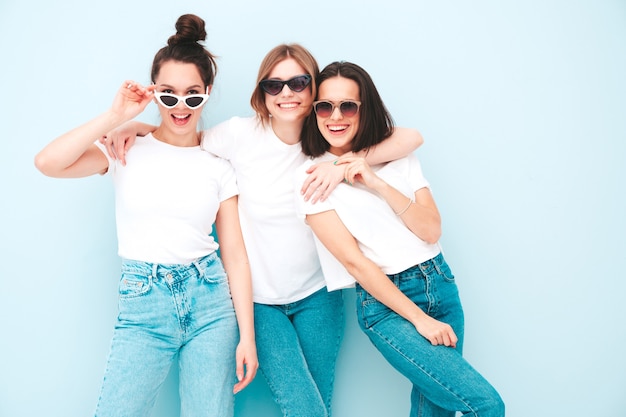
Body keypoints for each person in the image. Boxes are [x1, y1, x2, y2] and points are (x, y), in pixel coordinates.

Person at [102, 44, 423, 417]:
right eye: (275, 85)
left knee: (318, 406)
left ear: (314, 91)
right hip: (261, 303)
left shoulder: (329, 141)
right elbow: (182, 135)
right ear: (263, 94)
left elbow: (410, 138)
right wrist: (135, 126)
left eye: (299, 83)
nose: (286, 93)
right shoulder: (239, 135)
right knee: (304, 409)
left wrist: (343, 165)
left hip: (319, 297)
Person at [34, 14, 257, 417]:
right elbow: (48, 162)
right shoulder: (125, 148)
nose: (181, 106)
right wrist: (117, 117)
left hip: (211, 304)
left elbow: (236, 255)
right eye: (168, 94)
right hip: (144, 302)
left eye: (193, 94)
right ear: (154, 93)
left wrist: (248, 337)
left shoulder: (218, 163)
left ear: (207, 93)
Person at [296, 61, 505, 417]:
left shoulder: (397, 154)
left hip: (440, 285)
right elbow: (354, 263)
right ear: (314, 111)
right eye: (325, 106)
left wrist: (375, 182)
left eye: (348, 105)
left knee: (434, 410)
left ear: (365, 109)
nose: (336, 116)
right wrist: (419, 320)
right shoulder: (312, 177)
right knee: (485, 404)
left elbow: (430, 231)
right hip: (387, 305)